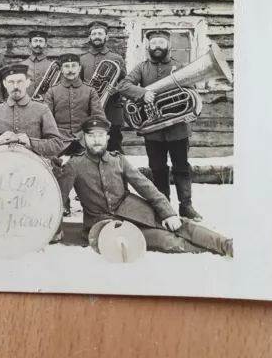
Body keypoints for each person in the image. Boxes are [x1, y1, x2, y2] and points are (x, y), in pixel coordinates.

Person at [57, 116, 233, 256]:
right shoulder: (74, 165)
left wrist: (168, 212)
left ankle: (227, 245)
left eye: (100, 135)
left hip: (132, 209)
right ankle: (208, 252)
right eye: (91, 136)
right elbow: (59, 199)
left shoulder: (118, 159)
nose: (96, 140)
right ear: (83, 139)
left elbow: (145, 186)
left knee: (180, 225)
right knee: (165, 240)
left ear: (107, 137)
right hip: (105, 226)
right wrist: (54, 229)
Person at [117, 29, 202, 221]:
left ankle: (186, 206)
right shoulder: (142, 68)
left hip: (178, 129)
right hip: (153, 131)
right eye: (153, 42)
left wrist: (191, 114)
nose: (157, 46)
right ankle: (164, 206)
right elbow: (123, 85)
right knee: (158, 168)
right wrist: (141, 93)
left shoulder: (179, 67)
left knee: (182, 167)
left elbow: (193, 93)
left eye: (161, 43)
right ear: (148, 46)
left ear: (168, 45)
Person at [0, 63, 64, 158]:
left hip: (34, 164)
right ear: (4, 84)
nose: (15, 86)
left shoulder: (42, 109)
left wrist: (31, 142)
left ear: (27, 82)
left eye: (20, 81)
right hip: (3, 162)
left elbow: (57, 144)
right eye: (11, 82)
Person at [44, 53, 106, 157]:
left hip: (84, 141)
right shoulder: (52, 92)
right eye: (66, 66)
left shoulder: (90, 91)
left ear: (79, 68)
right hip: (59, 142)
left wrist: (89, 138)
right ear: (61, 70)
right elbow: (47, 121)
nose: (70, 70)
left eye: (74, 66)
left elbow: (98, 117)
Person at [79, 21, 127, 153]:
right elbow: (78, 83)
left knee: (114, 149)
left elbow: (126, 83)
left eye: (100, 33)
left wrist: (116, 89)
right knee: (89, 149)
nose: (97, 36)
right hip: (89, 110)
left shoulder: (117, 58)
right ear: (89, 37)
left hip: (111, 110)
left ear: (107, 36)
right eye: (94, 34)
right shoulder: (82, 59)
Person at [21, 30, 54, 97]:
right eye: (35, 41)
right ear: (30, 44)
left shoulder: (52, 66)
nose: (38, 44)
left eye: (41, 41)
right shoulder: (22, 65)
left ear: (45, 45)